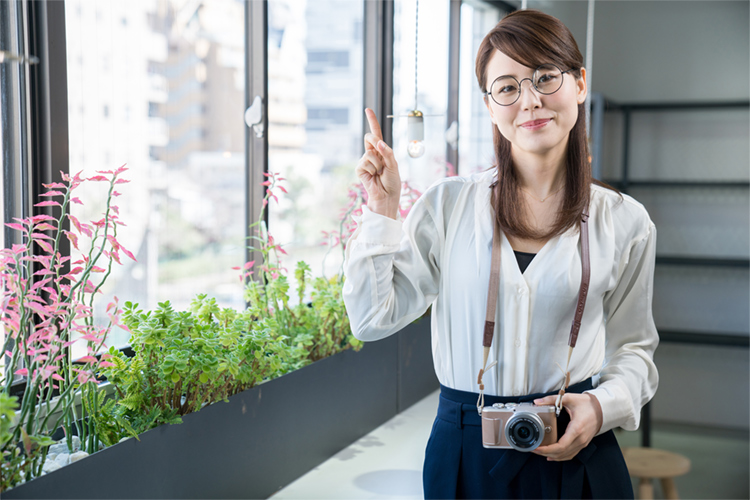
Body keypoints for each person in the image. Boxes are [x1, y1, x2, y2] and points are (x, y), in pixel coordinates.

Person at [343, 9, 658, 499]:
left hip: (579, 449)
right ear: (491, 107)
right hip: (466, 449)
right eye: (507, 87)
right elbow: (369, 319)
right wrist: (381, 210)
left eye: (545, 77)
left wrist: (601, 408)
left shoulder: (626, 220)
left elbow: (634, 348)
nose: (529, 100)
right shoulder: (447, 206)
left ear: (578, 83)